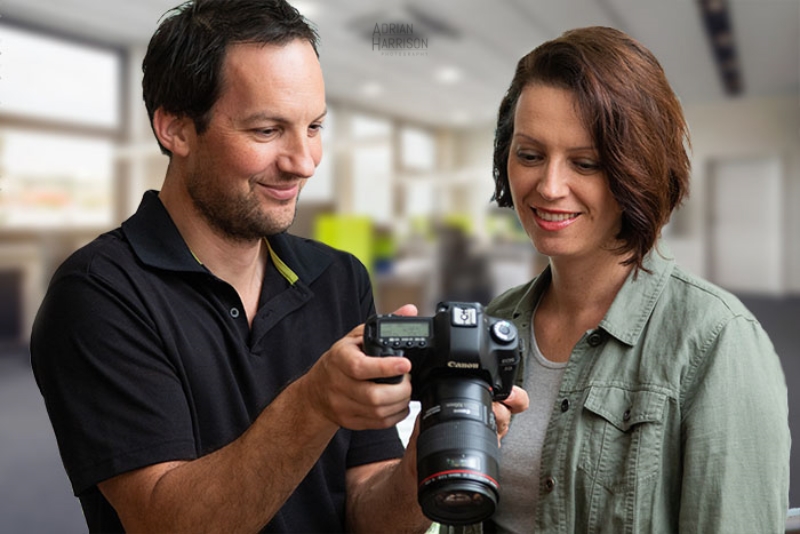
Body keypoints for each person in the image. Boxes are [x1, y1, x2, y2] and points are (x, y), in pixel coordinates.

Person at [29, 1, 528, 532]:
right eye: (267, 131)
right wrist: (314, 403)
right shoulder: (100, 294)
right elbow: (166, 523)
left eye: (313, 126)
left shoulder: (339, 278)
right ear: (175, 128)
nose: (304, 162)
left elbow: (367, 514)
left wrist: (422, 460)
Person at [478, 26, 790, 533]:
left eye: (587, 163)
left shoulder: (716, 340)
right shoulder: (495, 323)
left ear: (636, 169)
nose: (550, 186)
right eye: (530, 155)